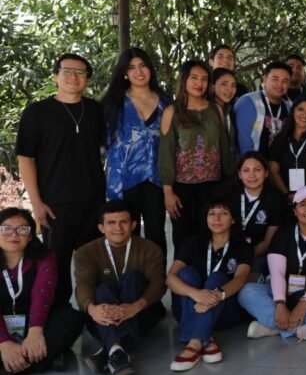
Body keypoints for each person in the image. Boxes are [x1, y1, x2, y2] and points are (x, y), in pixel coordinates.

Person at [16, 53, 105, 306]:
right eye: (67, 71)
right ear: (55, 76)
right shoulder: (37, 112)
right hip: (56, 203)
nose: (73, 77)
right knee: (57, 267)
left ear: (88, 79)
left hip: (94, 201)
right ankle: (59, 320)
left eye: (80, 72)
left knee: (94, 266)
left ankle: (96, 317)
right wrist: (36, 203)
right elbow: (26, 159)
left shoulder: (95, 110)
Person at [239, 186, 306, 343]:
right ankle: (299, 329)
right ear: (295, 211)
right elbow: (277, 273)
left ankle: (274, 326)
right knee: (246, 292)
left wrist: (305, 301)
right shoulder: (283, 233)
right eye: (303, 204)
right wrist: (280, 304)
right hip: (282, 294)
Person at [75, 201, 167, 375]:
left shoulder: (149, 248)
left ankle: (108, 351)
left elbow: (158, 284)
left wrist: (135, 307)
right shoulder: (85, 252)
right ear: (101, 228)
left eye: (124, 222)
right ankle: (117, 352)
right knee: (103, 290)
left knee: (133, 277)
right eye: (111, 223)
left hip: (141, 313)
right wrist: (92, 309)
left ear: (133, 225)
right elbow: (83, 285)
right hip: (100, 317)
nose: (118, 228)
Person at [165, 198, 253, 371]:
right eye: (211, 214)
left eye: (223, 213)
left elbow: (240, 278)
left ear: (233, 219)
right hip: (189, 307)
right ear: (205, 219)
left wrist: (215, 296)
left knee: (217, 278)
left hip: (224, 312)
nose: (216, 218)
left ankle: (194, 342)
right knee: (186, 273)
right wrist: (195, 294)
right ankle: (207, 339)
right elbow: (170, 278)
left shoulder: (243, 246)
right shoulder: (192, 242)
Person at [100, 47, 172, 253]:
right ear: (124, 73)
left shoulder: (166, 102)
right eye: (131, 68)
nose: (138, 72)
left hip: (156, 179)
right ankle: (130, 274)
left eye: (143, 66)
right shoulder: (112, 102)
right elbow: (101, 143)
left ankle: (156, 274)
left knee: (156, 234)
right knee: (126, 236)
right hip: (123, 180)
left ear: (150, 69)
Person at [0, 207, 83, 375]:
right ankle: (43, 358)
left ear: (30, 236)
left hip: (37, 321)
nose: (14, 234)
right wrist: (4, 342)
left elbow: (42, 297)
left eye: (22, 229)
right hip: (2, 324)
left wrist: (35, 332)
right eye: (6, 228)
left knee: (71, 319)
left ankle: (9, 368)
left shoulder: (44, 258)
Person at [159, 60, 235, 250]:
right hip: (181, 187)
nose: (199, 83)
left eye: (204, 79)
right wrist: (168, 192)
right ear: (184, 80)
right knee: (183, 237)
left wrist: (232, 181)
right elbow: (166, 152)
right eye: (194, 78)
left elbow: (225, 147)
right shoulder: (172, 111)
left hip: (212, 185)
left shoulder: (216, 109)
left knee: (209, 235)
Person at [225, 152, 286, 275]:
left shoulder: (275, 200)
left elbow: (268, 242)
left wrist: (244, 258)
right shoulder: (229, 196)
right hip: (228, 254)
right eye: (246, 170)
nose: (252, 175)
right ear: (239, 174)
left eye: (257, 170)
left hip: (259, 255)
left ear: (266, 173)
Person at [233, 61, 293, 156]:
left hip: (278, 163)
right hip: (252, 162)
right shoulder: (248, 102)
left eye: (285, 81)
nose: (280, 84)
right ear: (264, 80)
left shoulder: (289, 106)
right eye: (275, 79)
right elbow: (243, 143)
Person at [211, 67, 239, 148]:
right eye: (224, 84)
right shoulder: (207, 111)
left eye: (233, 85)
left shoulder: (229, 110)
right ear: (212, 86)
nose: (230, 89)